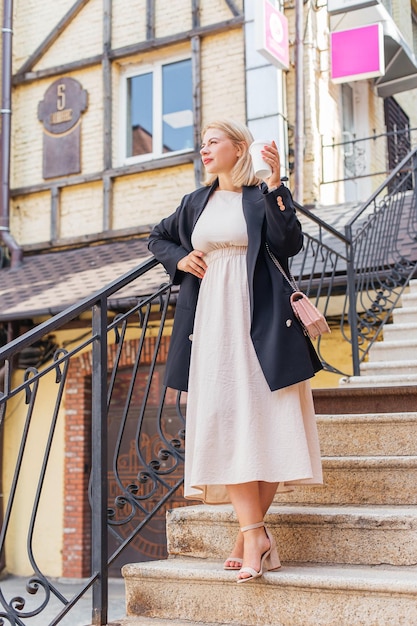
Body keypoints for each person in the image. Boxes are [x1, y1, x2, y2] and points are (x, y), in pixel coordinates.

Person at [148, 119, 323, 583]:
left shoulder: (259, 197)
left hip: (260, 318)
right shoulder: (194, 204)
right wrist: (178, 259)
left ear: (238, 147)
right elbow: (157, 237)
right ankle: (254, 533)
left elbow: (289, 243)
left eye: (213, 142)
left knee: (266, 422)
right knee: (228, 417)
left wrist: (276, 184)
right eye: (201, 143)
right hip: (211, 319)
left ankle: (250, 535)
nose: (204, 149)